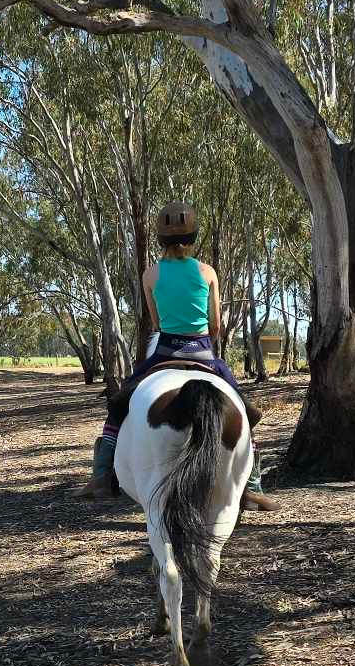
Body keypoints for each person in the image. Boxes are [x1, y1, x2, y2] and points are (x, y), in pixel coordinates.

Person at [79, 204, 277, 511]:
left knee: (119, 405)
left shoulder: (150, 274)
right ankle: (251, 485)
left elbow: (156, 323)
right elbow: (215, 326)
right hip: (203, 352)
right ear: (194, 236)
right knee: (244, 410)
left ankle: (102, 475)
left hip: (165, 351)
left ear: (160, 239)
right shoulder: (207, 272)